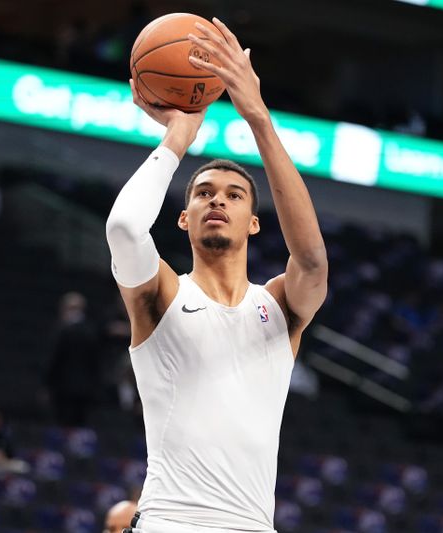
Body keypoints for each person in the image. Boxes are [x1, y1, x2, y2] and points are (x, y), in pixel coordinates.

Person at [105, 17, 328, 533]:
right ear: (184, 219)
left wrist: (258, 118)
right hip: (169, 522)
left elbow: (313, 261)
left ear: (254, 222)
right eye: (203, 193)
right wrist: (181, 131)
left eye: (233, 195)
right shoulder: (160, 296)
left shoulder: (279, 309)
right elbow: (123, 227)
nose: (217, 201)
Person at [45, 292, 100, 427]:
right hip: (85, 389)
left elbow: (54, 358)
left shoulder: (62, 330)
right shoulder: (91, 331)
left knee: (65, 427)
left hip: (64, 388)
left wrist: (47, 383)